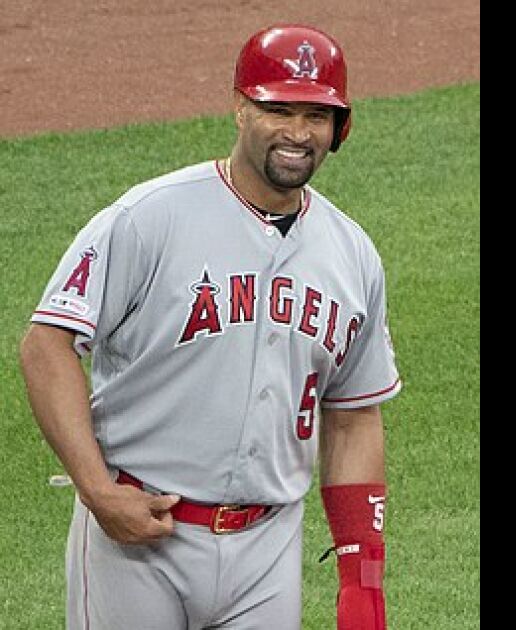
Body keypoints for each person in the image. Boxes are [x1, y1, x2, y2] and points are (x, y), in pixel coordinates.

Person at [19, 24, 399, 630]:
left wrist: (361, 576)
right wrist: (96, 489)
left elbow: (353, 416)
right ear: (240, 107)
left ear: (340, 126)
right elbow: (48, 345)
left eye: (316, 115)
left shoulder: (352, 254)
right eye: (278, 109)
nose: (298, 133)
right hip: (138, 540)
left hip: (268, 548)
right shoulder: (150, 218)